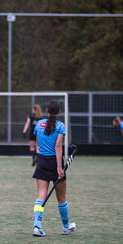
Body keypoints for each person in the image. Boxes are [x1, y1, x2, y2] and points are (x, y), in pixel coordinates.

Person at [32, 100, 76, 237]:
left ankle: (36, 226)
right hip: (54, 162)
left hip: (42, 161)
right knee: (61, 198)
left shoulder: (39, 124)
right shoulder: (60, 126)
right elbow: (58, 147)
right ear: (58, 112)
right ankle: (66, 226)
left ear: (46, 110)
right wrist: (59, 167)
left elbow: (38, 143)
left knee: (41, 196)